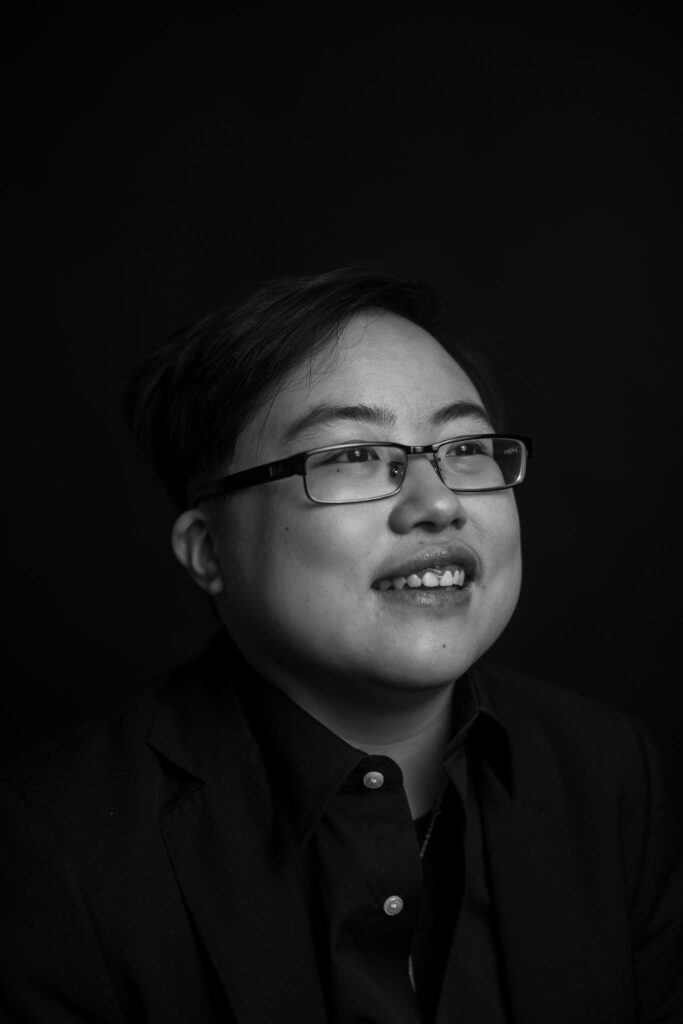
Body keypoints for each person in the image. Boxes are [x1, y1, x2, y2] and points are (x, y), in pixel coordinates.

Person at [1, 267, 681, 1024]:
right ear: (207, 551)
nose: (437, 503)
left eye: (465, 448)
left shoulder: (609, 772)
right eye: (352, 456)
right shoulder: (53, 851)